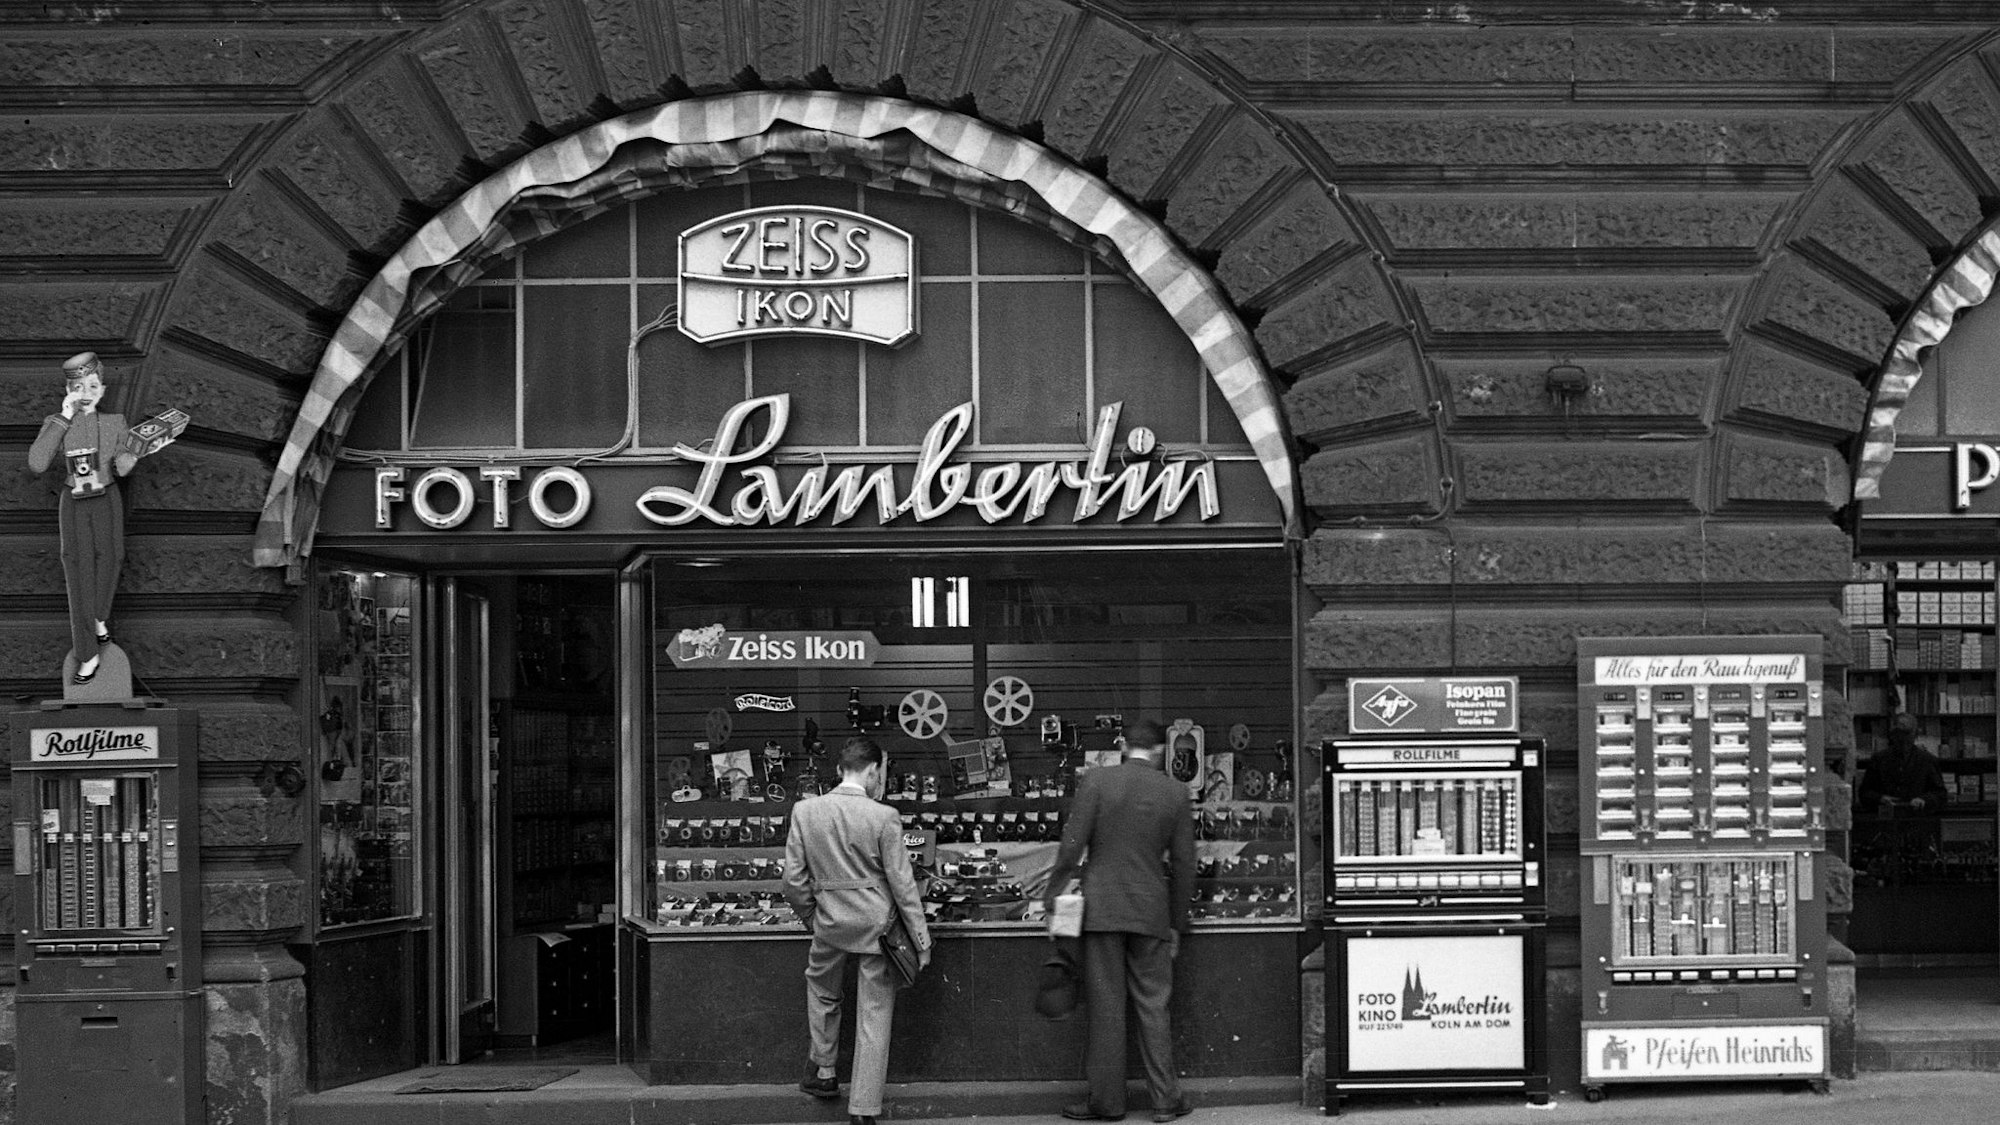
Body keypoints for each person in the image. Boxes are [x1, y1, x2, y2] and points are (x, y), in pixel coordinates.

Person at [1044, 717, 1197, 1123]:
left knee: (1106, 1008)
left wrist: (1053, 900)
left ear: (1123, 746)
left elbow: (1070, 848)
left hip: (1102, 910)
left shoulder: (1097, 782)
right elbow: (1184, 865)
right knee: (1153, 1006)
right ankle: (1166, 1101)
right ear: (1161, 750)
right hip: (1151, 912)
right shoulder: (1176, 792)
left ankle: (1107, 1104)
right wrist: (1176, 922)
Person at [783, 737, 932, 1125]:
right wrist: (920, 938)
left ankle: (824, 1070)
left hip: (829, 922)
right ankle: (864, 1109)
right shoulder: (884, 816)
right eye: (880, 773)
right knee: (874, 1012)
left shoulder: (804, 811)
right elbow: (903, 884)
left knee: (821, 987)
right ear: (871, 771)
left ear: (838, 770)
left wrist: (812, 919)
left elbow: (793, 882)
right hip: (877, 927)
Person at [26, 352, 136, 686]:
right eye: (78, 385)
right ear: (68, 388)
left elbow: (121, 466)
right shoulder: (57, 422)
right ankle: (87, 655)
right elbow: (37, 463)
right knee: (77, 572)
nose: (86, 391)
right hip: (73, 501)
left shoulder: (115, 422)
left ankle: (100, 617)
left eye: (92, 385)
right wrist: (63, 416)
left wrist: (132, 456)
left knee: (112, 557)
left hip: (106, 497)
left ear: (102, 388)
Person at [1859, 713, 1949, 815]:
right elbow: (1864, 793)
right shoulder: (1879, 759)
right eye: (1899, 734)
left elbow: (1941, 795)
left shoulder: (1927, 760)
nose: (1903, 740)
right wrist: (1881, 799)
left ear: (1915, 736)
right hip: (1887, 817)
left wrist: (1923, 800)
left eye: (1907, 734)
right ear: (1892, 735)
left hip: (1917, 819)